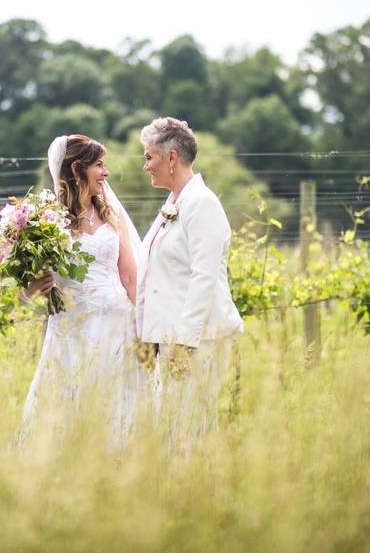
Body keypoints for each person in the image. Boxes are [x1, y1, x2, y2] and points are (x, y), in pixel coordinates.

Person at [19, 134, 143, 449]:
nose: (106, 173)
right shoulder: (46, 221)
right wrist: (34, 287)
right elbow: (23, 291)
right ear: (77, 169)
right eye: (99, 165)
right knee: (69, 404)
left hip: (117, 327)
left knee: (116, 404)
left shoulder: (111, 216)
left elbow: (129, 275)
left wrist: (144, 324)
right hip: (73, 330)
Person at [136, 117, 244, 452]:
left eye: (149, 156)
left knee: (192, 433)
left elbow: (203, 278)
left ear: (171, 158)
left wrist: (183, 344)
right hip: (172, 341)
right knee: (173, 431)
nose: (146, 166)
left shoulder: (202, 204)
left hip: (198, 344)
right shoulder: (174, 203)